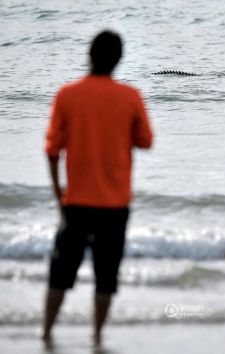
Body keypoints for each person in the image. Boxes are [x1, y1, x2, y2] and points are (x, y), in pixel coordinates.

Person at [41, 30, 153, 346]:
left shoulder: (67, 94)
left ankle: (46, 333)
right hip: (115, 204)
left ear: (89, 55)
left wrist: (58, 194)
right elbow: (145, 141)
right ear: (118, 59)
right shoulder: (130, 96)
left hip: (75, 203)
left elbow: (51, 150)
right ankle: (96, 337)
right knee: (106, 276)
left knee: (60, 272)